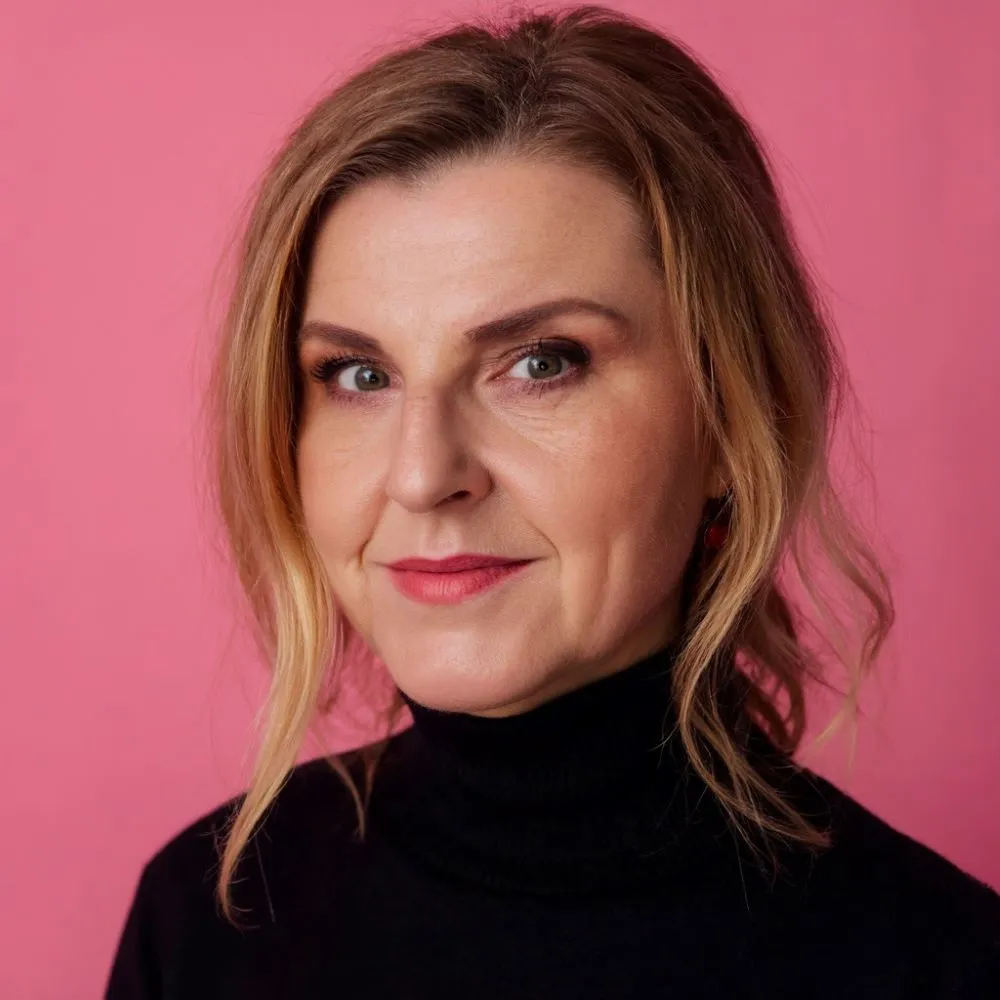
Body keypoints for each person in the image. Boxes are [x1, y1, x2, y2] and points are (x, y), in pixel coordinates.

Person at [104, 5, 1000, 997]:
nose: (421, 472)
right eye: (358, 374)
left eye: (540, 362)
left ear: (734, 418)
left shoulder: (938, 961)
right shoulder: (208, 919)